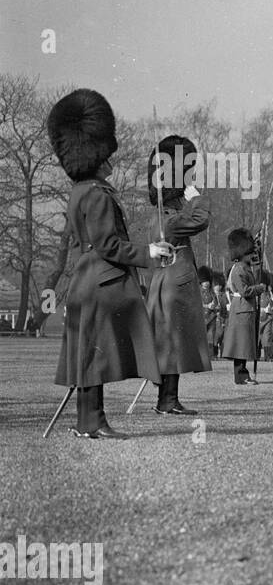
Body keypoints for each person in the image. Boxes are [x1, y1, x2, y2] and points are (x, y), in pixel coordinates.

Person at [49, 89, 172, 438]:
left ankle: (88, 422)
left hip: (85, 279)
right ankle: (93, 422)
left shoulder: (79, 192)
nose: (110, 161)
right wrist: (149, 253)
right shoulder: (98, 195)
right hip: (102, 282)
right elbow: (109, 245)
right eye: (105, 156)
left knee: (89, 356)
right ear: (96, 156)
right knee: (96, 357)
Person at [142, 135, 212, 415]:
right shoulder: (168, 218)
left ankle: (167, 399)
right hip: (175, 284)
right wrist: (196, 197)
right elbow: (200, 220)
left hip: (165, 283)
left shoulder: (161, 215)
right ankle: (167, 401)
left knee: (171, 343)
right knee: (173, 344)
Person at [221, 228, 264, 384]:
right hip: (241, 309)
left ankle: (242, 375)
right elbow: (245, 291)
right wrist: (260, 288)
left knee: (244, 344)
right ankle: (241, 376)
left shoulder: (244, 268)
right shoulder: (239, 269)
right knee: (241, 345)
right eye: (249, 253)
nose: (252, 255)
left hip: (245, 309)